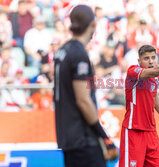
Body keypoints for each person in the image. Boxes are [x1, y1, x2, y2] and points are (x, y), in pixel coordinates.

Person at [53, 5, 118, 167]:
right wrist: (103, 135)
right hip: (83, 139)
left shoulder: (62, 51)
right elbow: (83, 100)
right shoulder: (79, 54)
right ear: (93, 25)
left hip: (68, 136)